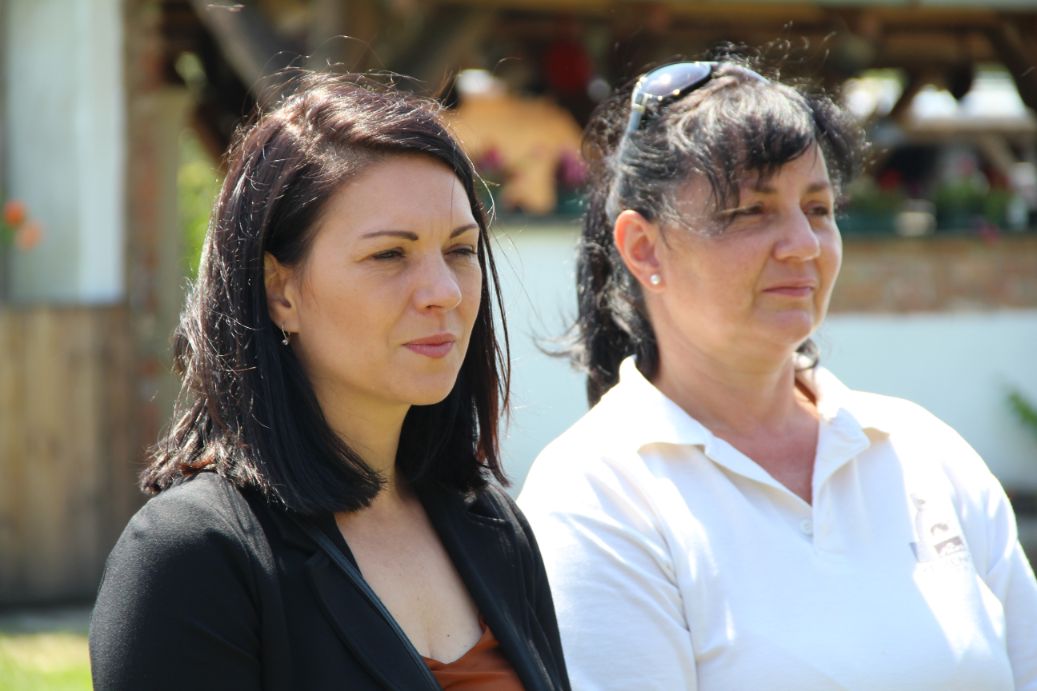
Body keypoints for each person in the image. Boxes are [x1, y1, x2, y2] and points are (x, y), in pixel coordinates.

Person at [518, 59, 1037, 690]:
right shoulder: (597, 495)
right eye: (751, 212)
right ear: (643, 248)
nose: (804, 244)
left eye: (818, 208)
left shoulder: (923, 449)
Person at [90, 72, 570, 691]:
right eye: (389, 255)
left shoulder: (492, 526)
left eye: (460, 250)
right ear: (280, 292)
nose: (445, 292)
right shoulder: (194, 555)